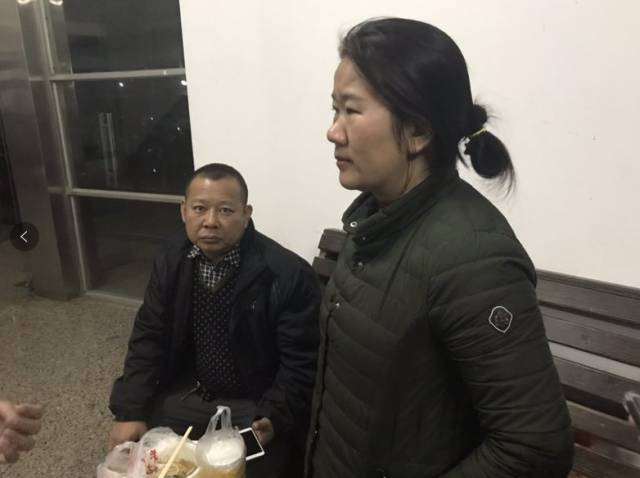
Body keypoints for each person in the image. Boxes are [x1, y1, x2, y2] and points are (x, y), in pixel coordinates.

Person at [305, 18, 574, 478]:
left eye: (351, 111)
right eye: (335, 110)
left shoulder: (473, 257)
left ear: (417, 132)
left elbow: (533, 446)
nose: (334, 132)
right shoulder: (375, 220)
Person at [108, 163, 321, 477]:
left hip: (255, 402)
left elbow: (301, 362)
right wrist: (130, 410)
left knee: (256, 466)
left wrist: (273, 415)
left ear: (246, 214)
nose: (210, 221)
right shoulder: (172, 259)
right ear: (183, 211)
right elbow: (149, 335)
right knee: (143, 456)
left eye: (225, 210)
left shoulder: (286, 273)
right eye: (199, 209)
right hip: (191, 392)